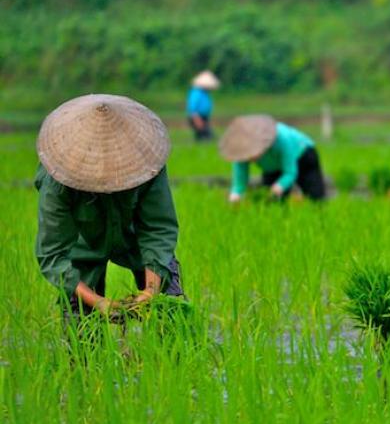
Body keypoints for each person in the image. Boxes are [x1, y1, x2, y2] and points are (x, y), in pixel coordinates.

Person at [34, 94, 184, 325]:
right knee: (82, 338)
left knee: (171, 312)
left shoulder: (147, 164)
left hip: (137, 241)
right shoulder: (57, 182)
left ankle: (169, 357)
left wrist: (151, 290)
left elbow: (158, 229)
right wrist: (97, 301)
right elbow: (53, 254)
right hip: (83, 248)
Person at [220, 115, 326, 202]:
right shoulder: (241, 151)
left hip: (302, 154)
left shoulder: (282, 141)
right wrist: (235, 197)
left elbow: (290, 172)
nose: (251, 158)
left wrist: (280, 186)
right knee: (271, 202)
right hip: (272, 167)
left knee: (315, 198)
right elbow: (240, 182)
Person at [186, 70, 220, 141]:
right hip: (197, 117)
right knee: (205, 136)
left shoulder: (205, 93)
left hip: (203, 117)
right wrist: (197, 120)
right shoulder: (196, 93)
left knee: (205, 136)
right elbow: (192, 108)